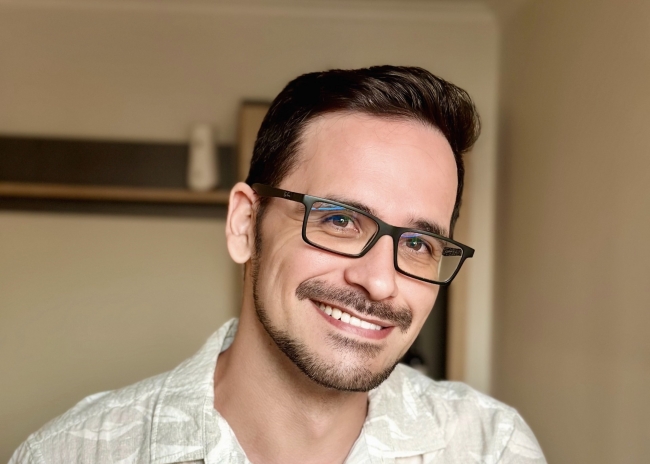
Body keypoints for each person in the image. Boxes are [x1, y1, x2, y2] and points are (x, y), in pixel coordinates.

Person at [10, 66, 546, 463]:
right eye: (339, 220)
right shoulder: (71, 454)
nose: (381, 281)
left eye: (418, 244)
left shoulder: (490, 448)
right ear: (245, 224)